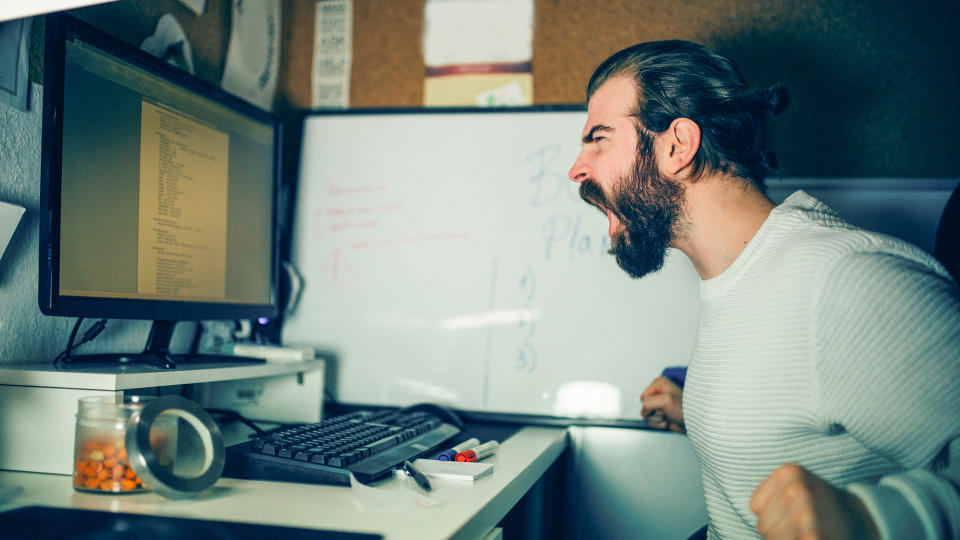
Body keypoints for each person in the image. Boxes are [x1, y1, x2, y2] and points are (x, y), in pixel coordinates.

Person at [567, 40, 960, 539]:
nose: (577, 169)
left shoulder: (850, 281)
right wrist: (699, 412)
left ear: (677, 146)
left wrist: (873, 519)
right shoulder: (741, 275)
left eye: (597, 138)